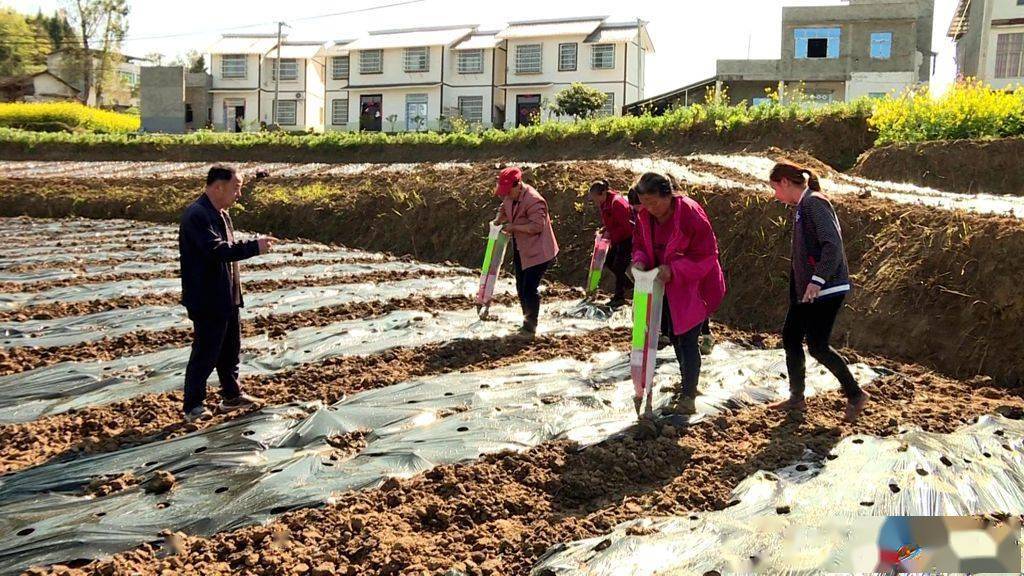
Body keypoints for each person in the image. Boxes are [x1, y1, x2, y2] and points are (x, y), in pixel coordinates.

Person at [768, 161, 869, 423]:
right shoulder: (803, 206)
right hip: (808, 289)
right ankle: (796, 397)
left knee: (818, 346)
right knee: (791, 337)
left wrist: (817, 280)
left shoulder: (814, 203)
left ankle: (856, 394)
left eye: (775, 189)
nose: (776, 196)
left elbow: (832, 246)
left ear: (785, 183)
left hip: (825, 288)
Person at [178, 165, 277, 422]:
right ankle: (193, 405)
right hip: (207, 296)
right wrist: (254, 247)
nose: (239, 194)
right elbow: (217, 250)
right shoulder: (197, 215)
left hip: (227, 294)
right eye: (236, 187)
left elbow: (228, 249)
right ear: (218, 186)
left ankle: (231, 396)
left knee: (230, 349)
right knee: (206, 351)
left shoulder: (220, 214)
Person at [631, 172, 726, 415]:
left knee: (688, 340)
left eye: (654, 202)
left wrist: (674, 270)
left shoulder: (689, 213)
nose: (650, 208)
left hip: (693, 287)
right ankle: (686, 382)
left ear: (668, 194)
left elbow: (707, 254)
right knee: (673, 335)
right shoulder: (644, 216)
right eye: (646, 203)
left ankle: (688, 395)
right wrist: (640, 262)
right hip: (662, 288)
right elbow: (640, 245)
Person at [494, 166, 559, 336]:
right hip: (522, 247)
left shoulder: (534, 200)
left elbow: (537, 226)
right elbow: (504, 206)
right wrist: (499, 218)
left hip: (539, 251)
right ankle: (526, 318)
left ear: (518, 185)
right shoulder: (510, 196)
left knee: (530, 287)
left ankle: (531, 325)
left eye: (508, 191)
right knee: (520, 285)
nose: (506, 194)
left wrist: (514, 227)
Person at [588, 179, 633, 307]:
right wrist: (605, 230)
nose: (594, 202)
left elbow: (626, 227)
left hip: (626, 238)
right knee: (608, 261)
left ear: (602, 194)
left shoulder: (617, 203)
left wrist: (611, 235)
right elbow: (611, 222)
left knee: (619, 266)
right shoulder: (605, 203)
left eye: (595, 198)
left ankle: (619, 296)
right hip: (617, 238)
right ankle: (627, 284)